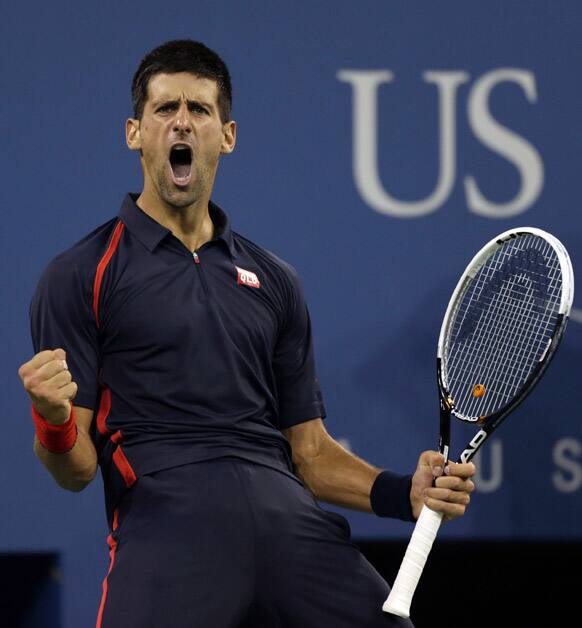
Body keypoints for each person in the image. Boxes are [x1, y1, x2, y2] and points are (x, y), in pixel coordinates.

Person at [18, 40, 475, 628]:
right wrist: (52, 421)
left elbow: (309, 453)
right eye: (164, 109)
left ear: (226, 135)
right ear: (134, 132)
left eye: (200, 109)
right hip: (168, 522)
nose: (182, 120)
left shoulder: (275, 280)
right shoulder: (80, 273)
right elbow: (75, 470)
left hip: (288, 521)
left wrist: (402, 494)